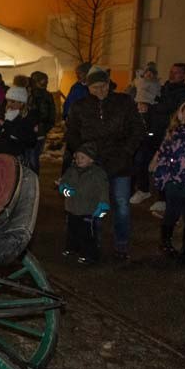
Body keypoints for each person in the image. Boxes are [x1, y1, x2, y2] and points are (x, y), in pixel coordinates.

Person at [65, 67, 145, 261]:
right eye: (95, 87)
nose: (100, 91)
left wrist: (126, 151)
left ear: (109, 84)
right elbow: (72, 133)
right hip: (92, 164)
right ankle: (93, 243)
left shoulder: (124, 102)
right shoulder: (80, 106)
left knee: (121, 204)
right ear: (88, 87)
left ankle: (121, 245)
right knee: (93, 205)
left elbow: (137, 129)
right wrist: (82, 153)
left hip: (120, 162)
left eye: (103, 86)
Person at [146, 62, 185, 215]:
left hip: (172, 132)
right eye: (171, 71)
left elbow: (171, 107)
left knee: (176, 167)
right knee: (157, 164)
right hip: (156, 130)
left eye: (177, 72)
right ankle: (158, 195)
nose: (173, 75)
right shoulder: (162, 87)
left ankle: (167, 201)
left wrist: (153, 107)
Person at [152, 100, 185, 262]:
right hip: (175, 183)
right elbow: (163, 157)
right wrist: (163, 180)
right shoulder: (173, 134)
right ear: (181, 115)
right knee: (172, 213)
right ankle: (165, 242)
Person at [59, 142, 110, 265]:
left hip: (88, 209)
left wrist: (103, 205)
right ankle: (72, 248)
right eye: (77, 157)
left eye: (82, 158)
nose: (78, 160)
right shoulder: (71, 171)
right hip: (72, 208)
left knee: (88, 234)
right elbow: (63, 182)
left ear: (91, 159)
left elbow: (103, 190)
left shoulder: (98, 174)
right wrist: (65, 190)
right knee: (72, 230)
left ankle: (90, 255)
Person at [128, 63, 162, 205]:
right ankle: (133, 188)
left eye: (151, 74)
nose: (149, 76)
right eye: (147, 73)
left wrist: (149, 135)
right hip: (137, 136)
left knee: (141, 161)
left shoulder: (156, 96)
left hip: (148, 137)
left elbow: (154, 125)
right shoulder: (136, 90)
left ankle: (144, 189)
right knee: (133, 162)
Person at [0, 86, 37, 161]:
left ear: (21, 103)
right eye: (8, 101)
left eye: (13, 101)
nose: (9, 104)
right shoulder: (4, 114)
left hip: (14, 158)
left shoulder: (27, 118)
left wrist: (6, 125)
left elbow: (30, 140)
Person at [26, 72, 56, 174]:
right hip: (28, 131)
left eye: (46, 82)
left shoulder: (47, 96)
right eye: (42, 82)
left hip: (40, 133)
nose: (45, 84)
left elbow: (52, 115)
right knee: (28, 158)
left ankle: (33, 183)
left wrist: (44, 128)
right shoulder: (28, 94)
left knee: (33, 158)